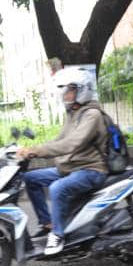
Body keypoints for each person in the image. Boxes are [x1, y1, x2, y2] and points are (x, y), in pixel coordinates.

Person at [16, 67, 108, 255]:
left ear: (82, 90)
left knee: (57, 188)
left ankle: (58, 235)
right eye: (65, 90)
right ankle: (48, 223)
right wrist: (29, 151)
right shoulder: (74, 113)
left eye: (70, 90)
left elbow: (71, 144)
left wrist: (36, 151)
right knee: (30, 178)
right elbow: (59, 140)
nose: (65, 94)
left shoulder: (92, 115)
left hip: (91, 170)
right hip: (71, 168)